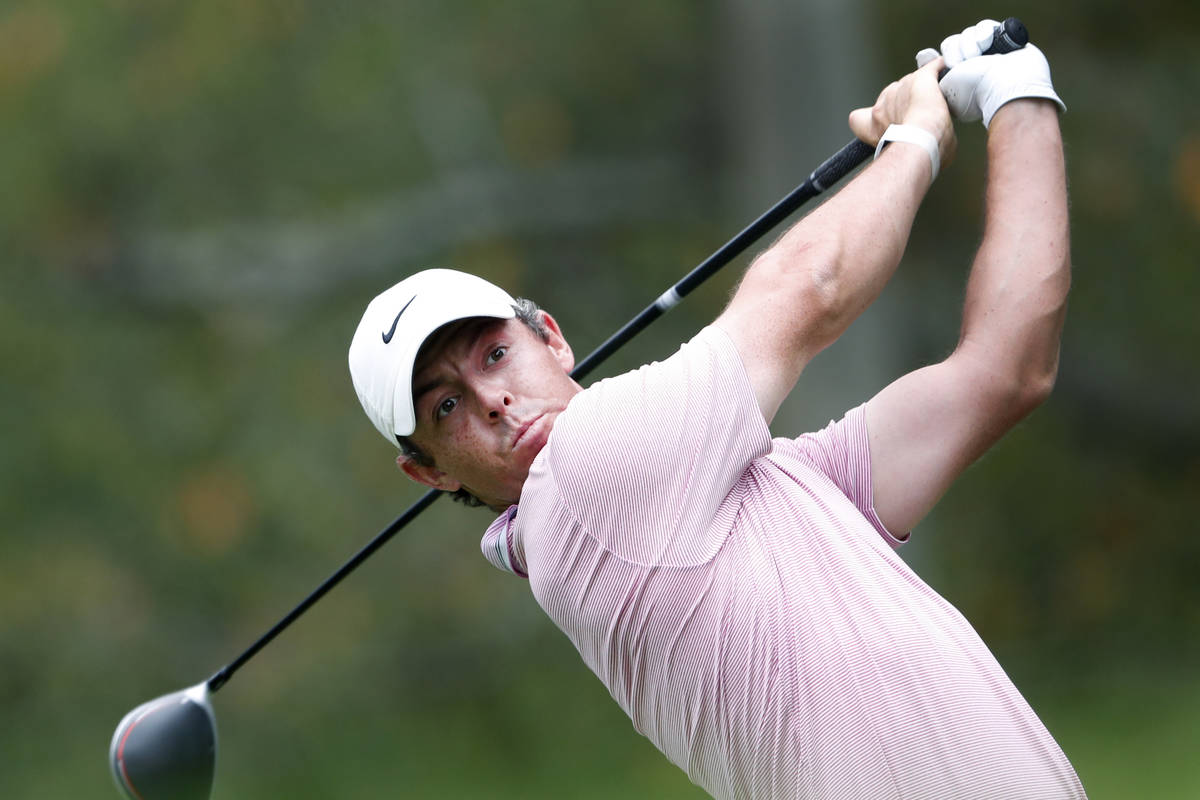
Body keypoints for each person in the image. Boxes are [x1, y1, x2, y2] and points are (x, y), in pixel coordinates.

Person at [348, 20, 1085, 800]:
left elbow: (1007, 371)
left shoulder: (765, 490)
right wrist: (917, 136)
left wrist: (1019, 94)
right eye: (447, 407)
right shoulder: (584, 478)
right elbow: (812, 289)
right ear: (425, 472)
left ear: (552, 340)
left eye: (495, 355)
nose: (494, 401)